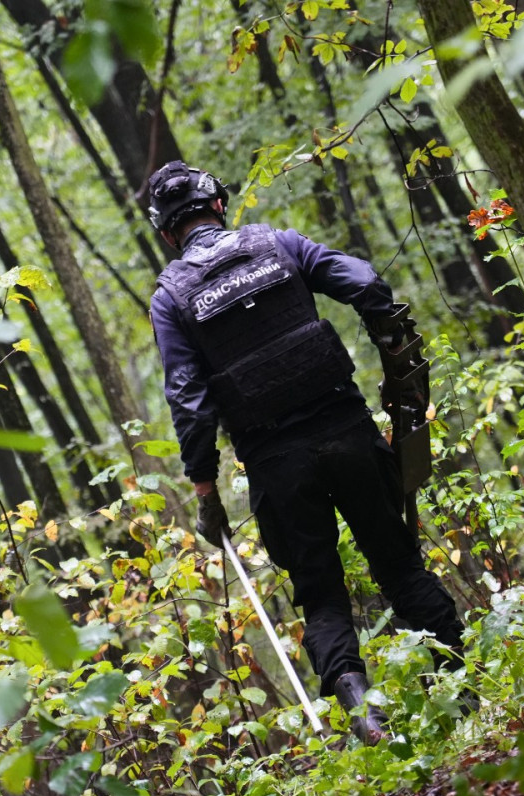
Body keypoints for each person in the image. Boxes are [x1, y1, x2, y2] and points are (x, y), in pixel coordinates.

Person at [147, 160, 465, 745]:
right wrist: (392, 345)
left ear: (167, 233)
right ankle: (468, 684)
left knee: (320, 598)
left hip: (274, 464)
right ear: (218, 204)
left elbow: (189, 402)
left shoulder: (171, 299)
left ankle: (362, 707)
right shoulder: (278, 244)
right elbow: (366, 284)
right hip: (346, 431)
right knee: (398, 566)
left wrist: (204, 490)